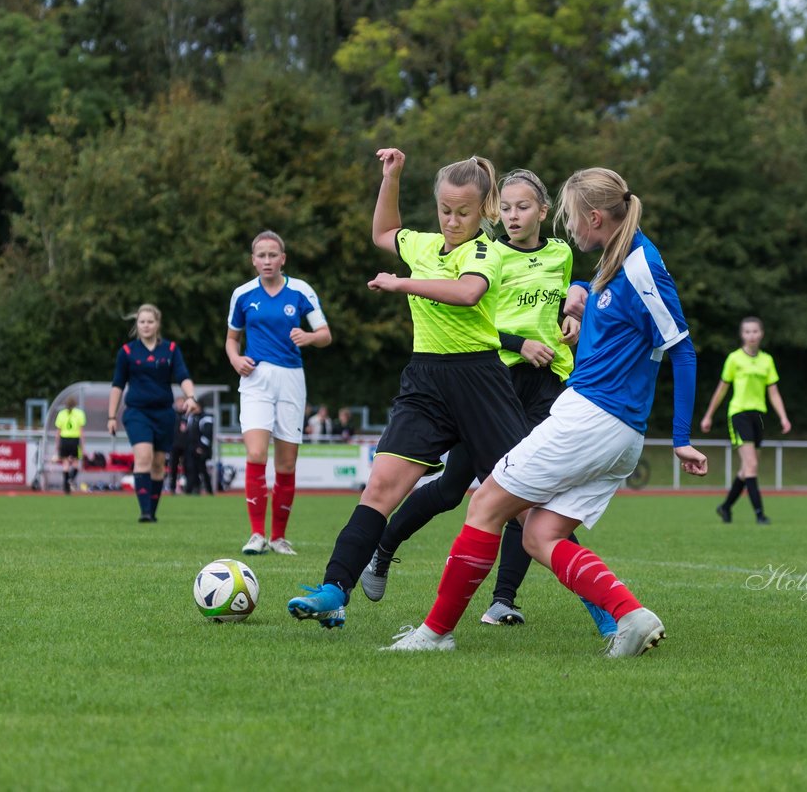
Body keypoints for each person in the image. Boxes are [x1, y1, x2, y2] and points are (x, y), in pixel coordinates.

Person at [382, 166, 708, 656]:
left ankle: (435, 633)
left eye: (573, 217)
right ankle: (631, 617)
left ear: (595, 217)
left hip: (592, 417)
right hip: (618, 429)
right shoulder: (616, 261)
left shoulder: (640, 265)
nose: (568, 228)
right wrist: (580, 306)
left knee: (486, 505)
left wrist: (681, 436)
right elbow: (627, 332)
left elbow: (681, 349)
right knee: (540, 533)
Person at [358, 168, 615, 636]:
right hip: (492, 384)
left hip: (546, 386)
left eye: (524, 207)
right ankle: (384, 545)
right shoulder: (487, 254)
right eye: (508, 208)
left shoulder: (559, 253)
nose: (514, 216)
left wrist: (570, 317)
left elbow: (560, 299)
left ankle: (510, 601)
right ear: (496, 212)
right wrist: (519, 344)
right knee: (452, 489)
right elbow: (471, 321)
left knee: (531, 496)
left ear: (542, 211)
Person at [287, 149, 529, 630]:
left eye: (463, 212)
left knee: (525, 505)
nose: (453, 220)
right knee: (379, 487)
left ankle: (606, 606)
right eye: (445, 210)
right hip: (425, 380)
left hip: (480, 381)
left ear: (483, 210)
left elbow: (468, 293)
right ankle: (335, 590)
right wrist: (391, 177)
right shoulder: (421, 245)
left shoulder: (486, 250)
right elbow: (381, 233)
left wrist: (403, 286)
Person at [226, 230, 333, 556]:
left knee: (286, 463)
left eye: (273, 255)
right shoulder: (243, 294)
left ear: (283, 258)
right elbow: (232, 338)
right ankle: (256, 534)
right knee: (257, 454)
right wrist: (235, 358)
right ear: (253, 260)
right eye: (261, 255)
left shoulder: (301, 291)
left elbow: (325, 334)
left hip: (290, 379)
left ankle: (278, 537)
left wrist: (309, 337)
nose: (267, 260)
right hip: (256, 379)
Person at [107, 304, 200, 523]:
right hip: (137, 413)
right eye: (142, 322)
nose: (146, 325)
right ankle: (145, 512)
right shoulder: (127, 351)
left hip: (164, 414)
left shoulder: (170, 349)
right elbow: (117, 385)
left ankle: (153, 510)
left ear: (157, 324)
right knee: (144, 457)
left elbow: (183, 376)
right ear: (136, 325)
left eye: (150, 321)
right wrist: (111, 416)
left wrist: (190, 396)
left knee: (159, 463)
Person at [699, 317, 791, 525]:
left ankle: (725, 507)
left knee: (747, 468)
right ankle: (760, 514)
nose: (751, 335)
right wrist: (708, 415)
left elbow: (774, 392)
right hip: (739, 414)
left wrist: (783, 417)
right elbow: (721, 389)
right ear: (742, 335)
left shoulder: (767, 360)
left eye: (755, 331)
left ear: (761, 334)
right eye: (747, 332)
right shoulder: (734, 359)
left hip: (758, 416)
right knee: (751, 466)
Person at [54, 395, 87, 496]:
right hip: (74, 440)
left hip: (64, 440)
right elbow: (81, 432)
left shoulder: (61, 414)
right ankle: (70, 479)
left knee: (65, 464)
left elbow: (58, 432)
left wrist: (57, 445)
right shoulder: (80, 414)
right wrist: (83, 445)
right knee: (76, 464)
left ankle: (66, 485)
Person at [185, 406, 215, 494]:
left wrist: (201, 447)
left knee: (202, 470)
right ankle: (193, 489)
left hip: (202, 449)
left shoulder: (206, 418)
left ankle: (209, 490)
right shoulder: (190, 417)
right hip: (191, 448)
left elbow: (208, 434)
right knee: (191, 469)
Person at [166, 398, 189, 494]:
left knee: (188, 467)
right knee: (173, 467)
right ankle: (172, 487)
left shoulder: (188, 415)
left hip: (186, 446)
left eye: (182, 403)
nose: (180, 405)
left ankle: (188, 487)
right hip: (174, 445)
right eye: (178, 404)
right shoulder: (171, 415)